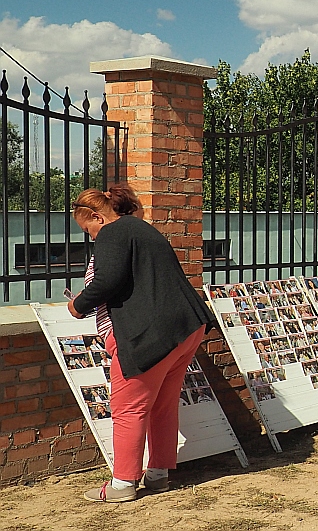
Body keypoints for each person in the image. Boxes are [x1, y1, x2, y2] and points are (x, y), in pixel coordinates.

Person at [67, 185, 216, 503]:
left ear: (97, 216)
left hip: (149, 335)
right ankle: (158, 473)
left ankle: (122, 484)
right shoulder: (142, 229)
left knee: (127, 407)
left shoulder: (113, 232)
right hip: (186, 327)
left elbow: (107, 280)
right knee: (162, 406)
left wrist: (78, 305)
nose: (91, 236)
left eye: (88, 229)